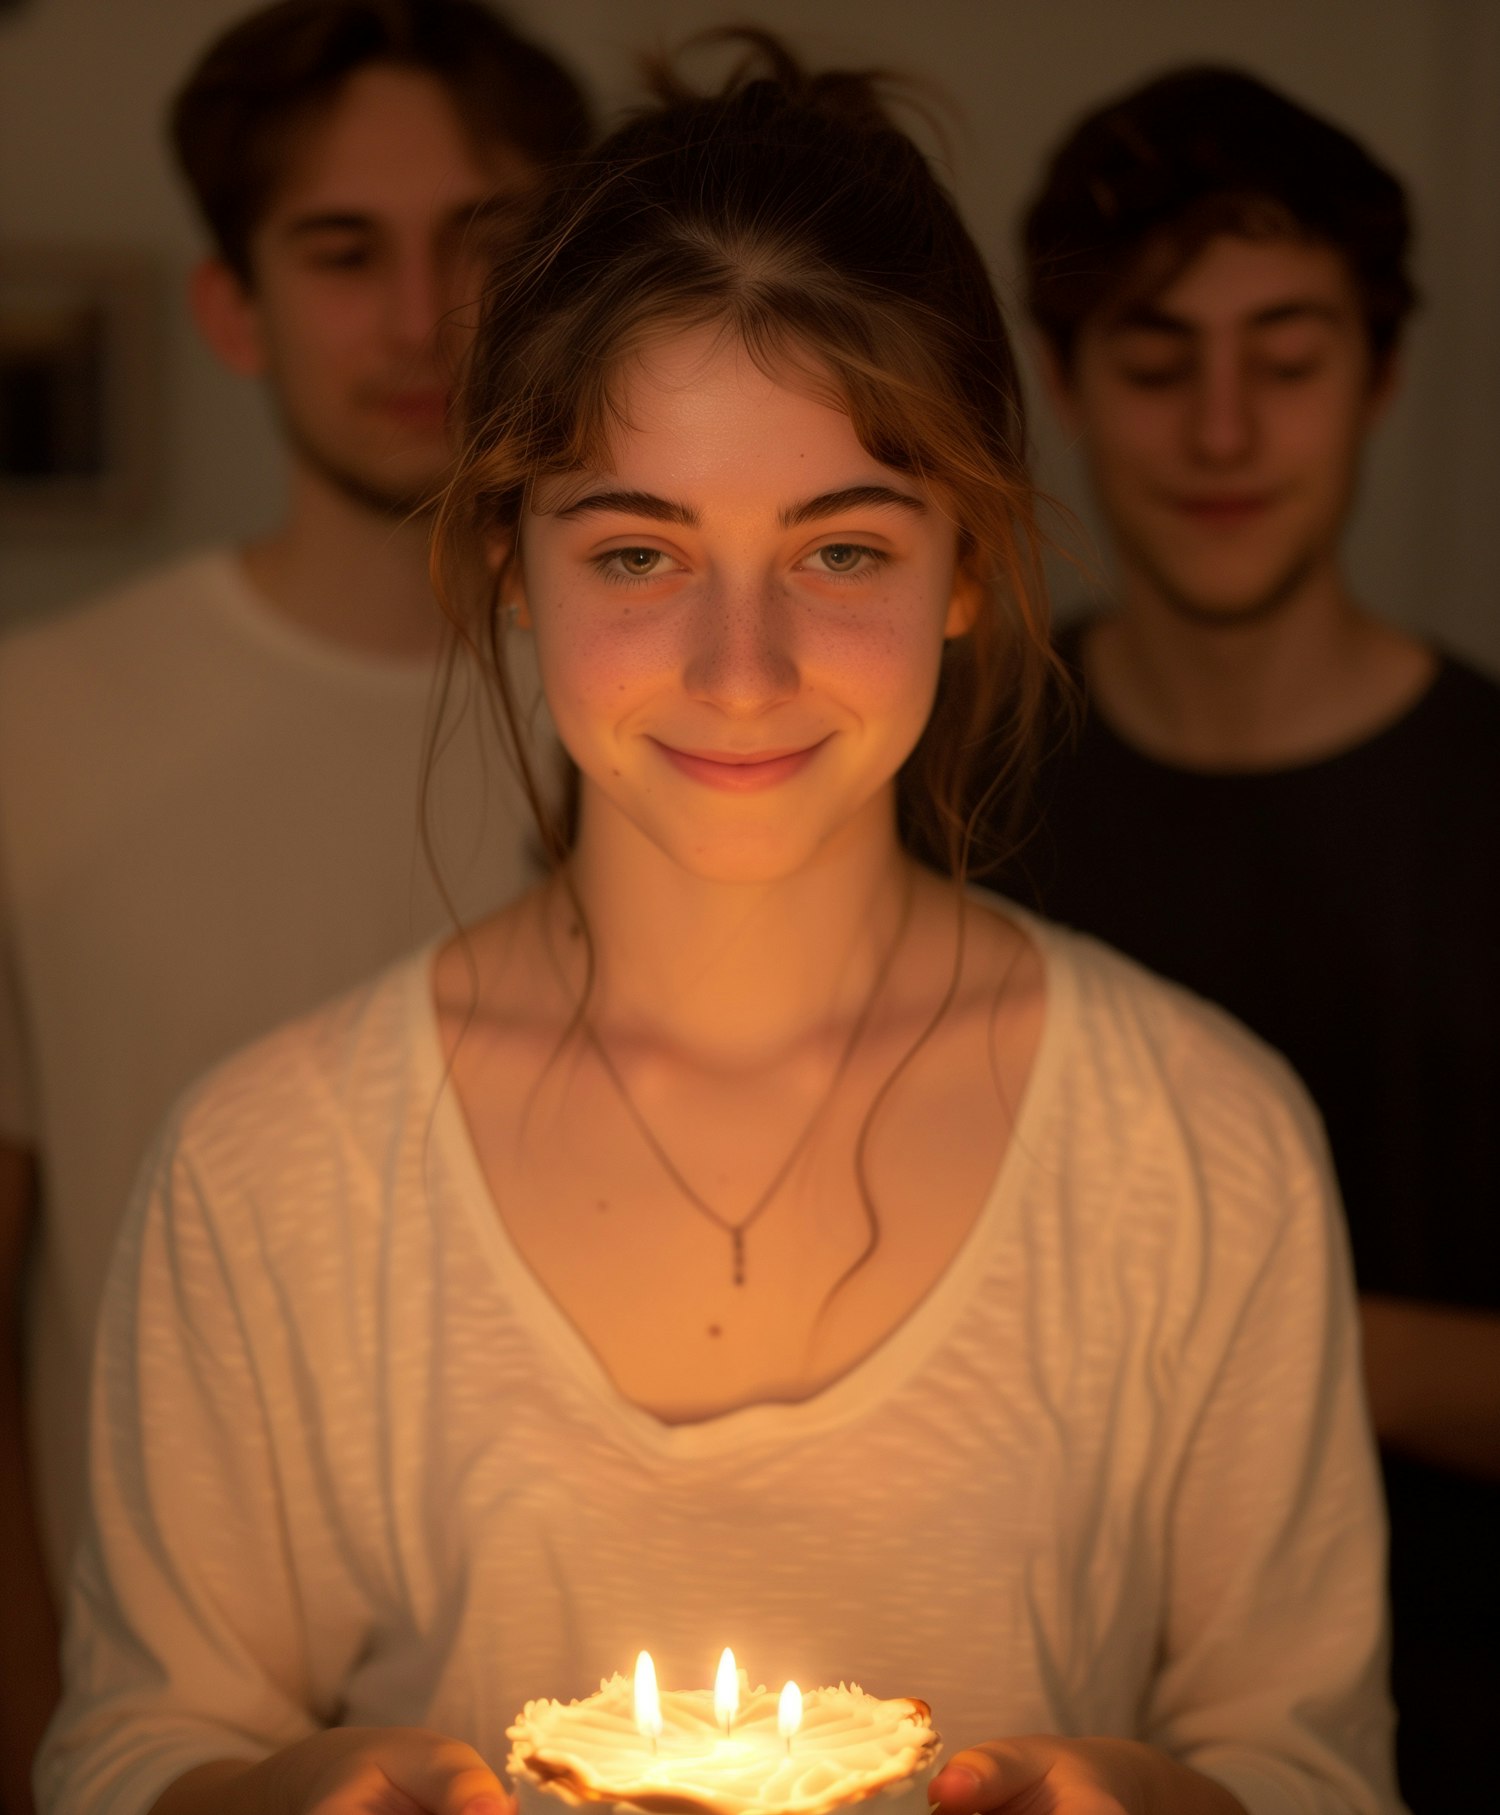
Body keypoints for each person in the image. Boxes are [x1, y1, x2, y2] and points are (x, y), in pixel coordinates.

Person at [37, 39, 1399, 1815]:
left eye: (840, 551)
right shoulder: (271, 1168)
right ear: (509, 563)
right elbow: (132, 1751)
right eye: (637, 553)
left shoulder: (1202, 1146)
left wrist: (1155, 1800)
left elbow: (1311, 1763)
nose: (739, 672)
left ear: (969, 563)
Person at [0, 4, 592, 1808]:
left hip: (623, 1718)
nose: (421, 319)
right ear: (233, 306)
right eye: (344, 252)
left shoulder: (697, 708)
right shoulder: (36, 728)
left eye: (481, 241)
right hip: (175, 1748)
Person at [991, 66, 1500, 1809]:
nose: (1223, 433)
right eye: (1154, 361)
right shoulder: (929, 794)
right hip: (1015, 1728)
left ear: (1381, 377)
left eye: (1285, 362)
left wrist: (1269, 1334)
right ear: (1061, 382)